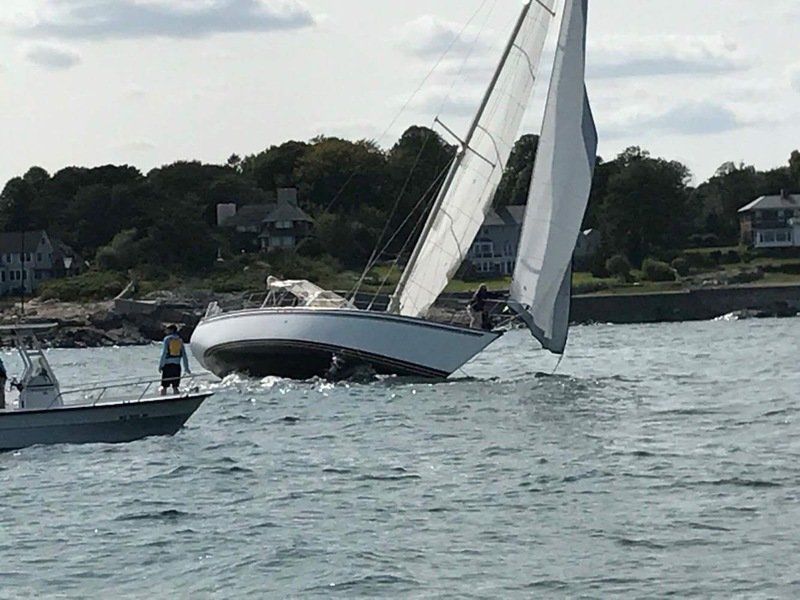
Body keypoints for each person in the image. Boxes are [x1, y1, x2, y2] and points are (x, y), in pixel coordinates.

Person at [159, 325, 190, 395]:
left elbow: (164, 353)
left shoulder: (167, 339)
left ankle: (162, 400)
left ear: (171, 330)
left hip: (167, 366)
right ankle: (177, 400)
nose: (166, 331)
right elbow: (184, 355)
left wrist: (161, 365)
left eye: (167, 329)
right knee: (175, 387)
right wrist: (186, 368)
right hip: (177, 366)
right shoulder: (180, 340)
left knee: (164, 387)